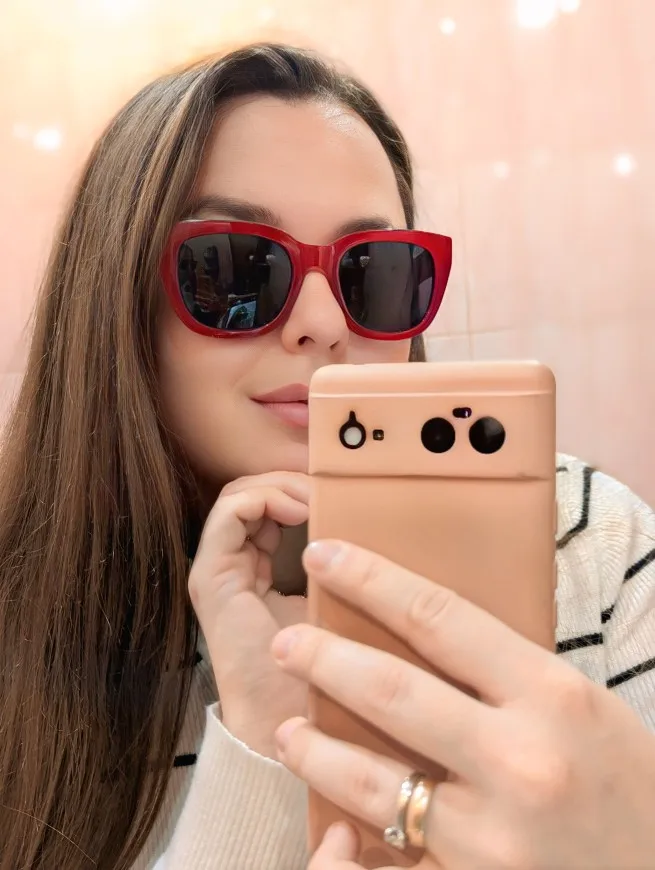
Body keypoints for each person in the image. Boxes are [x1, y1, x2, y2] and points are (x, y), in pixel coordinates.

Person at [0, 42, 653, 870]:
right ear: (118, 307)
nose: (322, 322)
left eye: (374, 271)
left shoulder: (590, 545)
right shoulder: (21, 624)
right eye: (236, 270)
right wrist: (264, 746)